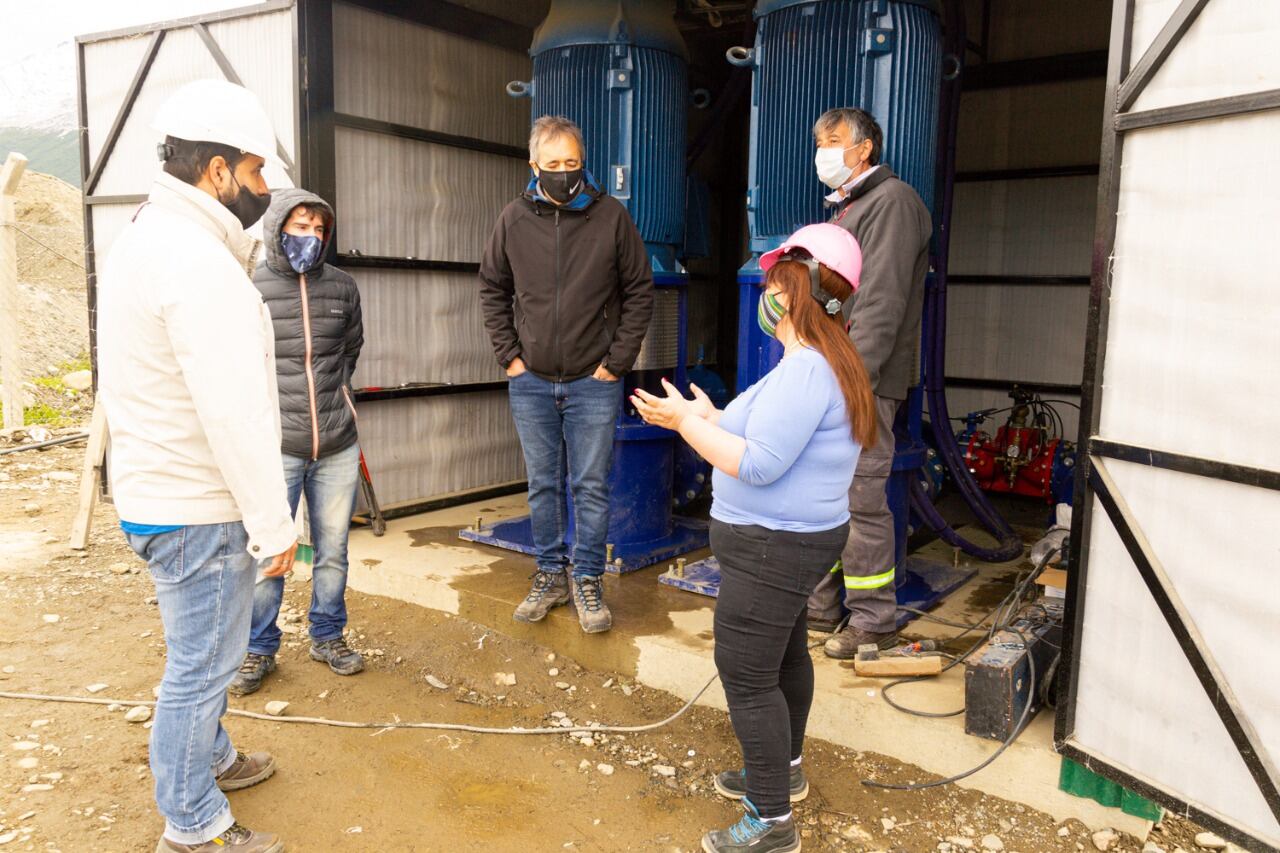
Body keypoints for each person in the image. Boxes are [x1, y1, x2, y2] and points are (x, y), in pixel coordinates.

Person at [96, 79, 295, 853]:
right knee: (201, 666)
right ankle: (193, 821)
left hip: (158, 489)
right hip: (197, 505)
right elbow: (233, 411)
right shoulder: (195, 262)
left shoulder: (148, 236)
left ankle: (212, 756)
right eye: (255, 175)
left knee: (199, 650)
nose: (264, 192)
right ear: (216, 172)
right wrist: (273, 522)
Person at [632, 224, 876, 853]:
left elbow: (760, 463)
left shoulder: (805, 372)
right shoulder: (814, 365)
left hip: (775, 544)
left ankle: (770, 822)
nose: (765, 292)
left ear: (797, 292)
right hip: (787, 542)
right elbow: (756, 433)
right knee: (784, 655)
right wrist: (705, 414)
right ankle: (782, 772)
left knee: (744, 672)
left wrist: (685, 424)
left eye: (774, 283)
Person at [479, 115, 654, 634]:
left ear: (584, 163)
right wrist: (509, 356)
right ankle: (550, 574)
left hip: (592, 380)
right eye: (552, 165)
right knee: (542, 485)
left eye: (572, 164)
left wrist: (615, 362)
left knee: (591, 485)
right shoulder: (513, 219)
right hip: (530, 378)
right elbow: (492, 289)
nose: (563, 173)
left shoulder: (611, 218)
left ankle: (588, 580)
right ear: (534, 166)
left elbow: (639, 291)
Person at [806, 107, 933, 659]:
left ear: (865, 149)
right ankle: (820, 606)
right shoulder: (846, 210)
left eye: (834, 140)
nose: (824, 151)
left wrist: (855, 380)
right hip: (830, 374)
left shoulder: (893, 202)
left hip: (862, 381)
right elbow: (836, 298)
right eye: (819, 141)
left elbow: (881, 301)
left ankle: (874, 619)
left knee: (861, 499)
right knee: (825, 495)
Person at [229, 189, 365, 695]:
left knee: (333, 550)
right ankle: (258, 649)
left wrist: (336, 399)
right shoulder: (251, 286)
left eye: (318, 229)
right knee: (270, 551)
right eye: (299, 226)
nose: (309, 237)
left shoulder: (343, 287)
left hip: (336, 441)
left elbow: (351, 349)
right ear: (277, 228)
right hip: (276, 445)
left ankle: (328, 635)